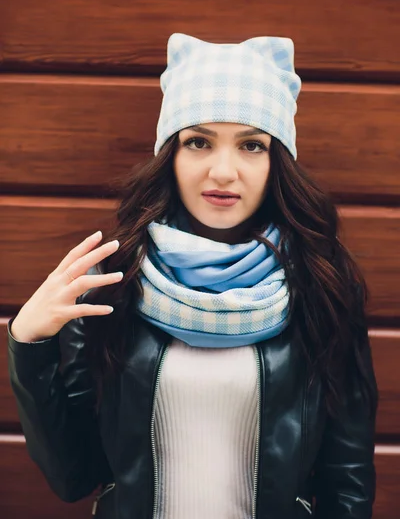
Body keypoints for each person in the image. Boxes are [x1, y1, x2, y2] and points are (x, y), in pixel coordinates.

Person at [7, 33, 379, 519]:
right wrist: (27, 343)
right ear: (171, 154)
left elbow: (347, 482)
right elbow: (74, 476)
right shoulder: (113, 284)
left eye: (251, 145)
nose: (223, 171)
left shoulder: (321, 285)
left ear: (277, 161)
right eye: (199, 141)